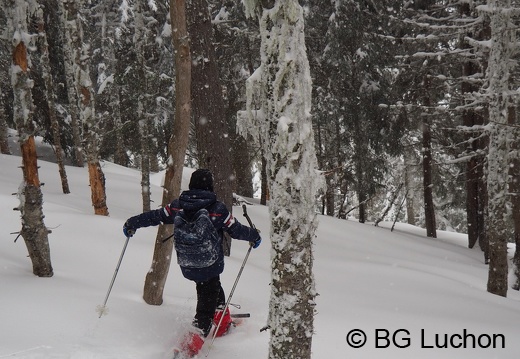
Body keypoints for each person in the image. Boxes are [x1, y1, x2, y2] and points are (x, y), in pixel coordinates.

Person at [123, 169, 261, 357]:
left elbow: (156, 216)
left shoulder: (178, 206)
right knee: (205, 308)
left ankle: (222, 324)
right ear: (210, 186)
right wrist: (254, 236)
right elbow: (236, 230)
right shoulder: (218, 209)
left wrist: (133, 223)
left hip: (188, 263)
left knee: (211, 287)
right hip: (210, 263)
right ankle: (188, 349)